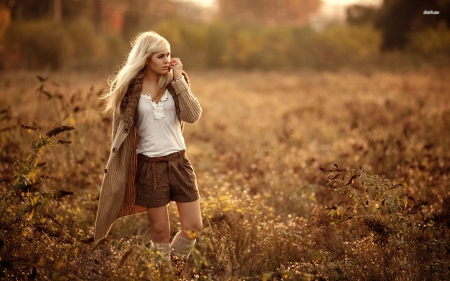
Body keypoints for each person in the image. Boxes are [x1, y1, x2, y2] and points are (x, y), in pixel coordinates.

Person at [94, 31, 203, 262]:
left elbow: (193, 115)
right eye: (160, 56)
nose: (167, 60)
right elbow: (120, 135)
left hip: (179, 163)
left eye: (168, 54)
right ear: (146, 59)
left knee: (193, 227)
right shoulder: (129, 90)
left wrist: (178, 80)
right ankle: (164, 275)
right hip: (149, 168)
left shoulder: (175, 82)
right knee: (160, 233)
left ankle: (175, 266)